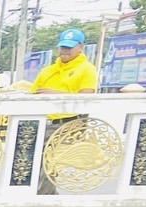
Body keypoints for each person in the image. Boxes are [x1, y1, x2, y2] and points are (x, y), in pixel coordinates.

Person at [29, 29, 99, 195]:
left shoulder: (87, 69)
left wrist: (55, 95)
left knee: (49, 162)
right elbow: (33, 93)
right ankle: (43, 196)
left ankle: (44, 198)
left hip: (68, 124)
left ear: (81, 47)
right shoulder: (48, 70)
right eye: (62, 47)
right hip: (42, 122)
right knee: (28, 160)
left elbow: (86, 97)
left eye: (69, 47)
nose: (65, 50)